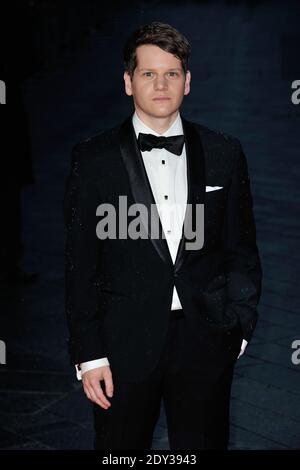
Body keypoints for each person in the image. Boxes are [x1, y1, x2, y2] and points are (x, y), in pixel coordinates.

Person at [64, 21, 262, 450]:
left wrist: (239, 326)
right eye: (148, 73)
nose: (160, 84)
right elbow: (80, 264)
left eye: (171, 73)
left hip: (205, 340)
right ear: (127, 81)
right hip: (122, 346)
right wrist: (89, 353)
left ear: (187, 82)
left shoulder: (224, 151)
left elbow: (241, 248)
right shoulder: (93, 159)